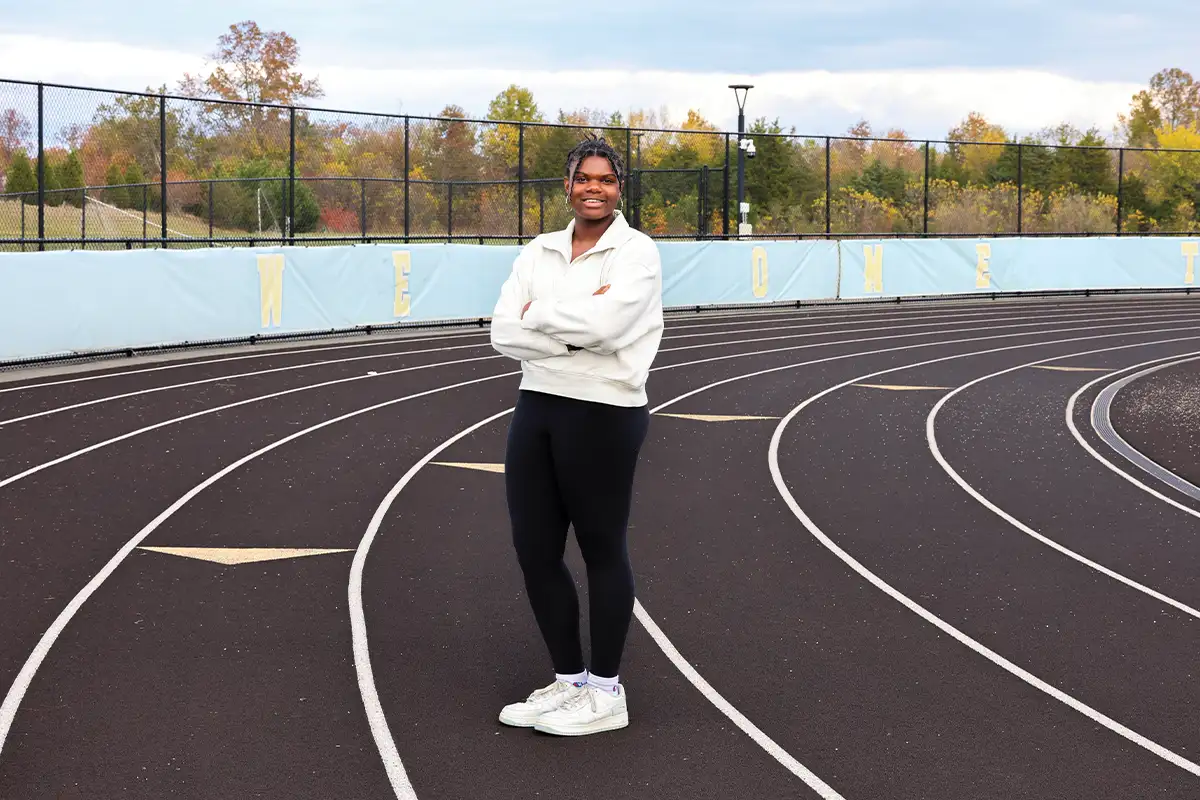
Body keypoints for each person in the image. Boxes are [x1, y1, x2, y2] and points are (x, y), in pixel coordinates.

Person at [488, 134, 665, 737]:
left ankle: (606, 691)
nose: (595, 187)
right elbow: (502, 331)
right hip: (536, 403)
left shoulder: (636, 253)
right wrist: (572, 328)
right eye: (584, 178)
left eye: (606, 179)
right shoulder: (537, 251)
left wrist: (542, 315)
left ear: (620, 188)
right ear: (566, 186)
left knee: (600, 550)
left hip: (605, 411)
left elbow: (612, 327)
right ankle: (568, 682)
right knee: (534, 550)